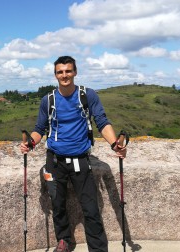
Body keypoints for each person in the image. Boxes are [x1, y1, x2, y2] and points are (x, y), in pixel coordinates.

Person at [20, 56, 127, 252]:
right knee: (57, 206)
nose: (64, 75)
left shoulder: (88, 96)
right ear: (55, 75)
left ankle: (98, 249)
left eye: (68, 71)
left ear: (75, 72)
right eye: (60, 72)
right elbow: (40, 128)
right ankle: (64, 242)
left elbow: (102, 122)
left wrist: (115, 145)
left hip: (80, 160)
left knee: (91, 209)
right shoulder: (48, 100)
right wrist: (31, 143)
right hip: (54, 161)